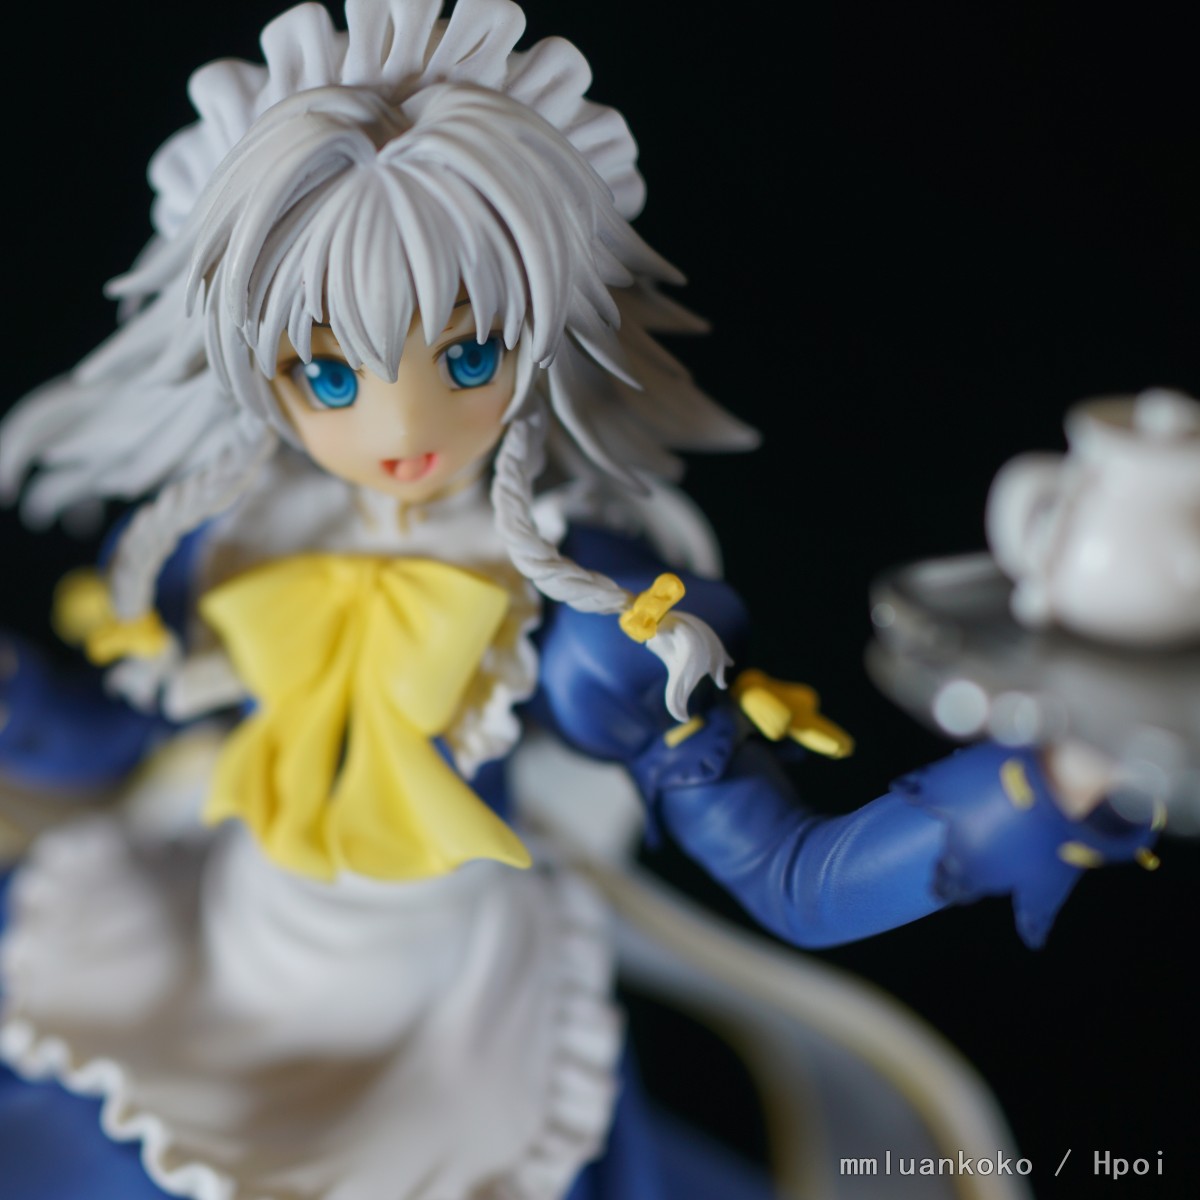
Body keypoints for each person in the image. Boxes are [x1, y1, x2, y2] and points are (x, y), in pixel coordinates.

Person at [0, 2, 1159, 1196]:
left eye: (468, 357)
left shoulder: (585, 621)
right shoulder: (225, 548)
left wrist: (1043, 783)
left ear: (543, 337)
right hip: (207, 965)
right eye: (330, 374)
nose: (401, 427)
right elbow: (120, 740)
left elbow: (789, 876)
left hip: (442, 1047)